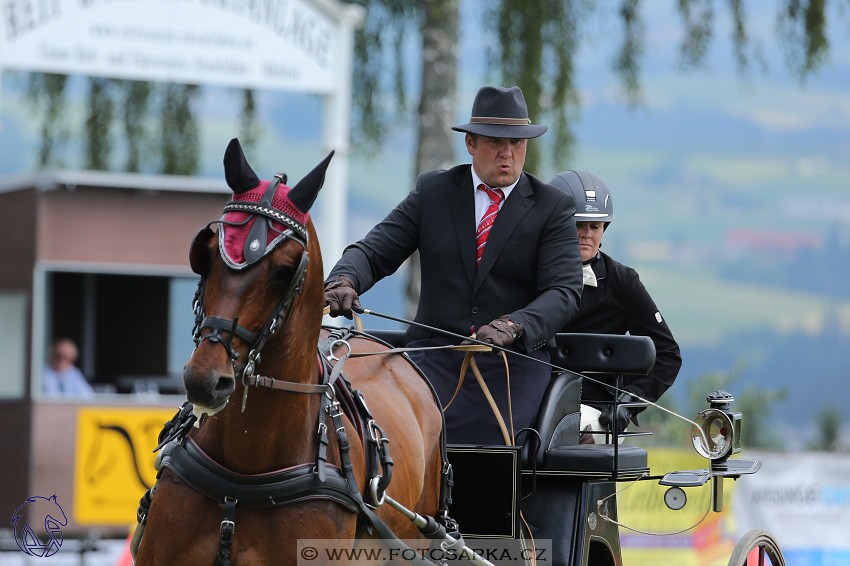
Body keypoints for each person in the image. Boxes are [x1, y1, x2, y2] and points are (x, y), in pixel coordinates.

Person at [325, 85, 583, 445]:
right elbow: (373, 251)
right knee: (383, 436)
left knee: (480, 448)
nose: (507, 153)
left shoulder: (552, 207)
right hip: (430, 358)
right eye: (496, 142)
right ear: (471, 144)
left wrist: (514, 325)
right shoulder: (433, 192)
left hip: (512, 364)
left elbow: (564, 292)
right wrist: (344, 278)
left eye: (518, 143)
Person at [549, 170, 682, 442]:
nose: (586, 235)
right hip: (533, 400)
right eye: (578, 225)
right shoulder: (530, 274)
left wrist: (629, 403)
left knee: (574, 437)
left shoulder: (623, 282)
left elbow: (668, 354)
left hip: (597, 414)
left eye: (595, 227)